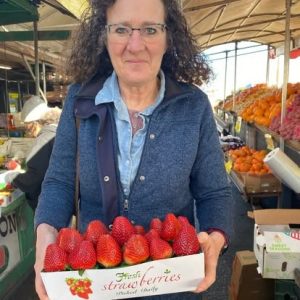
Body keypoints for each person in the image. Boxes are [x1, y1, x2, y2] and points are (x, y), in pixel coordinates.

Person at [34, 0, 233, 299]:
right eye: (122, 29)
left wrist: (215, 238)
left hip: (172, 285)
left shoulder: (194, 107)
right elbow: (60, 181)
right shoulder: (80, 100)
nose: (135, 45)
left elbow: (214, 191)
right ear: (104, 36)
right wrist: (45, 236)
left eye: (150, 29)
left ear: (169, 38)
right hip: (94, 283)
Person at [4, 96, 61, 210]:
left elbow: (33, 177)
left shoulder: (44, 138)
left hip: (50, 205)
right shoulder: (55, 131)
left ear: (35, 123)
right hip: (59, 198)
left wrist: (9, 177)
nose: (27, 130)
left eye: (27, 125)